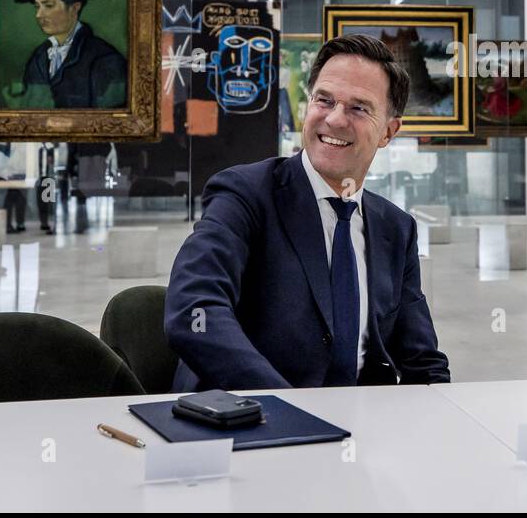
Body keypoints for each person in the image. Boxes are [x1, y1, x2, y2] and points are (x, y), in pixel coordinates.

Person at [166, 33, 450, 390]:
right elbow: (194, 309)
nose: (334, 119)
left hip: (362, 427)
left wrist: (441, 417)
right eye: (324, 100)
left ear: (388, 132)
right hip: (254, 419)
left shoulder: (396, 228)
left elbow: (421, 359)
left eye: (358, 108)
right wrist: (291, 409)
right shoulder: (245, 194)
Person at [17, 0, 127, 109]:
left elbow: (111, 121)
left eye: (48, 6)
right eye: (37, 6)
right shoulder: (38, 58)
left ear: (75, 8)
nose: (38, 15)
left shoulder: (105, 59)